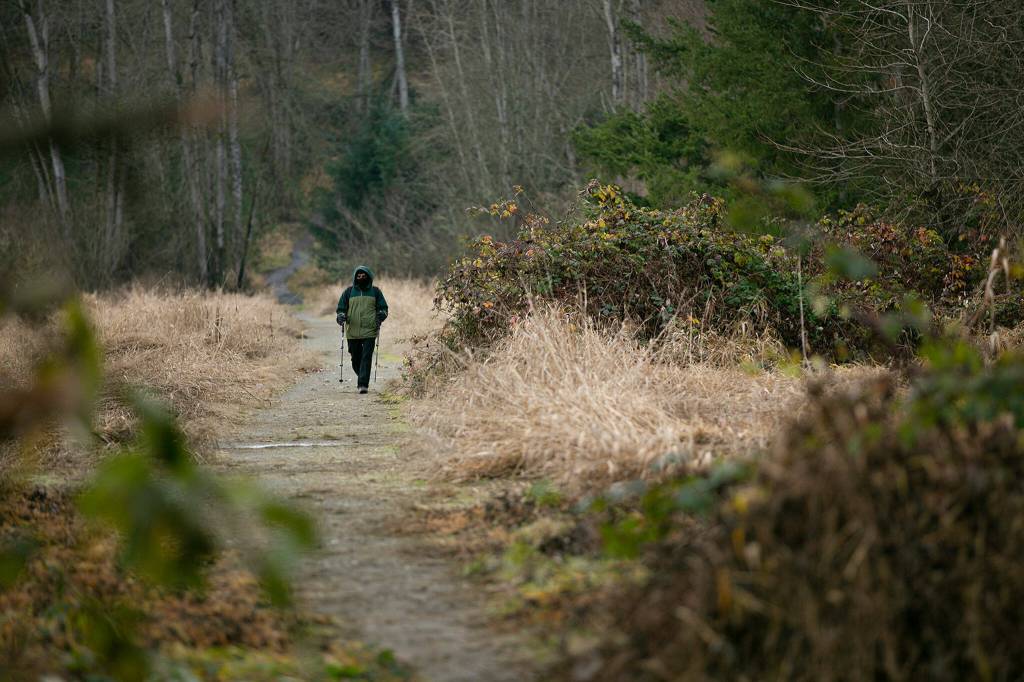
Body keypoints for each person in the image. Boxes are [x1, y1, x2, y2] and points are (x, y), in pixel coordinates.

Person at [336, 266, 388, 393]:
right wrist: (341, 316)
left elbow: (383, 308)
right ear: (355, 277)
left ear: (369, 277)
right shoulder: (348, 292)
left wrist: (381, 315)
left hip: (370, 329)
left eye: (364, 276)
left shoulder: (375, 292)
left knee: (366, 357)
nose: (361, 278)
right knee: (355, 358)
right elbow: (341, 309)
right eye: (358, 276)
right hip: (352, 330)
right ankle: (362, 375)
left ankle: (363, 384)